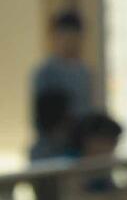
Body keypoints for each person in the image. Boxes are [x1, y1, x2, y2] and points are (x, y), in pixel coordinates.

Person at [29, 10, 94, 164]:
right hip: (50, 150)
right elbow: (42, 117)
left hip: (80, 147)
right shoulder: (46, 72)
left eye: (75, 37)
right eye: (65, 36)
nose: (70, 42)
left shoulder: (84, 72)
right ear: (55, 37)